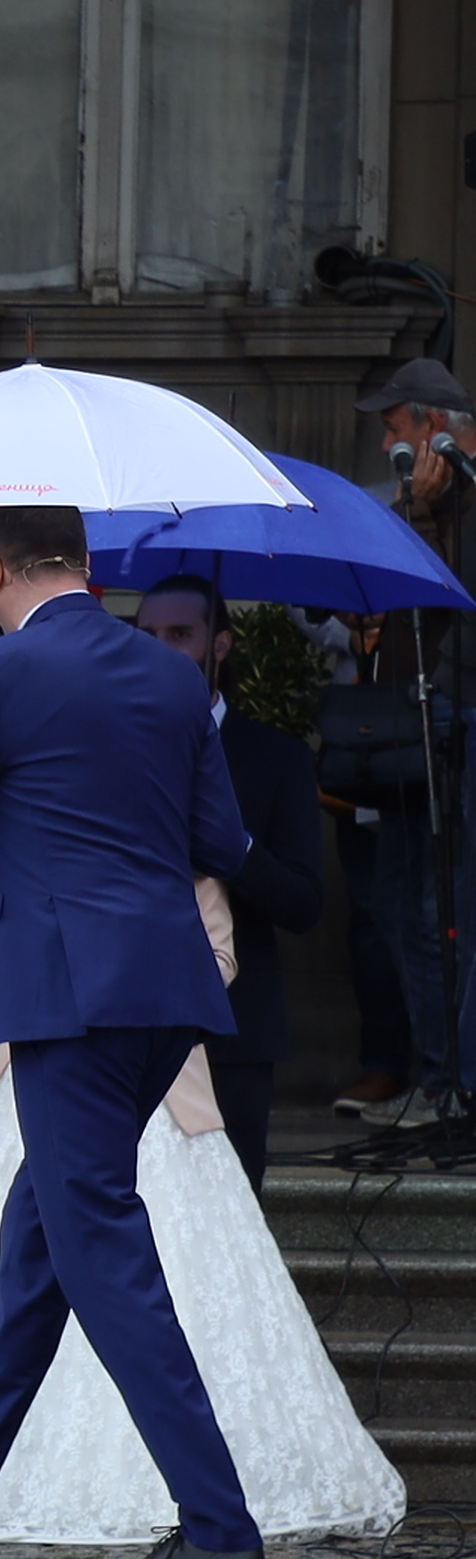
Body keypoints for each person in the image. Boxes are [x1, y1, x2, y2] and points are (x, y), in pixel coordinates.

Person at [0, 504, 269, 1559]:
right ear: (85, 566)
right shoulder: (175, 678)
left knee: (100, 1255)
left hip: (70, 998)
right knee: (41, 1244)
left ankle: (220, 1526)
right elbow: (221, 842)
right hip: (163, 987)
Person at [0, 875, 401, 1547]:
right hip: (42, 1072)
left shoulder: (168, 848)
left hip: (143, 1076)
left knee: (106, 1284)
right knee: (27, 1280)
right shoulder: (47, 842)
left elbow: (218, 954)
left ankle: (217, 1527)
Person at [130, 574, 321, 1184]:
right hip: (120, 1016)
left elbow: (303, 901)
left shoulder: (276, 758)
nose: (160, 649)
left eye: (180, 634)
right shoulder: (102, 743)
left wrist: (232, 848)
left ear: (221, 645)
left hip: (233, 1028)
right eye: (147, 635)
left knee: (224, 1224)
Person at [350, 356, 476, 1128]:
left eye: (397, 430)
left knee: (440, 907)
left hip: (455, 718)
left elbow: (450, 596)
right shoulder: (420, 500)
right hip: (408, 720)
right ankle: (436, 1075)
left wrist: (432, 514)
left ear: (434, 428)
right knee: (399, 902)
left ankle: (448, 1080)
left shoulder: (460, 496)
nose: (390, 445)